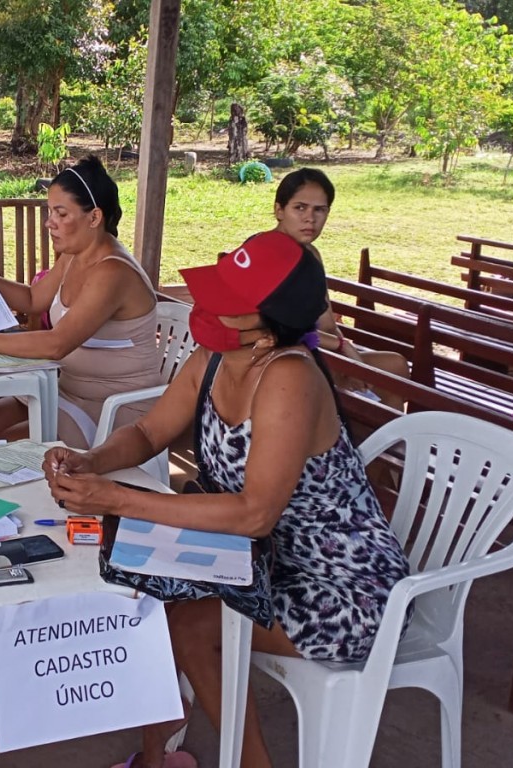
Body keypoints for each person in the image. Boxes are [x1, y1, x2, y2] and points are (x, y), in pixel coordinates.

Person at [44, 230, 410, 768]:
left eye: (228, 303)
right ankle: (159, 758)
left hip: (342, 585)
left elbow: (255, 513)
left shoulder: (289, 377)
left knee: (187, 621)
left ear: (269, 329)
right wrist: (92, 461)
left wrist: (117, 499)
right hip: (256, 559)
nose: (207, 307)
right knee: (152, 599)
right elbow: (148, 434)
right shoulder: (214, 357)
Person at [0, 155, 163, 448]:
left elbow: (56, 344)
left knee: (9, 443)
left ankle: (41, 492)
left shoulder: (113, 272)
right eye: (50, 211)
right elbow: (33, 299)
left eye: (61, 214)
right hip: (67, 389)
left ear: (94, 217)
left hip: (114, 406)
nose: (48, 223)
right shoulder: (74, 255)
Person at [271, 167, 409, 410]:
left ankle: (382, 440)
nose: (310, 219)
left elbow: (327, 323)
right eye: (300, 208)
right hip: (283, 357)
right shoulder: (266, 253)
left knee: (394, 366)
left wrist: (349, 352)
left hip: (318, 348)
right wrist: (342, 348)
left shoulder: (311, 254)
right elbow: (277, 330)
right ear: (279, 210)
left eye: (319, 210)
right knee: (358, 375)